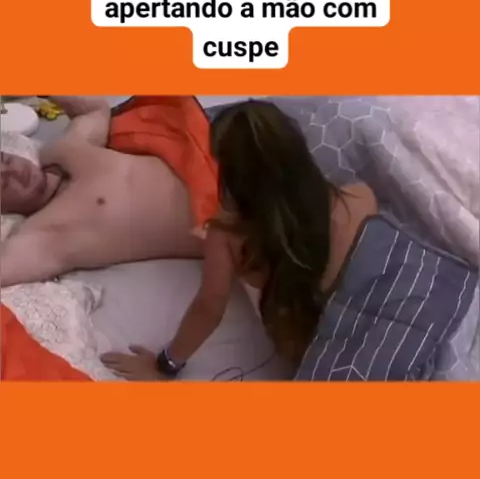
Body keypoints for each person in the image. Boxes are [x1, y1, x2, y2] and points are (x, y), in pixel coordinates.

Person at [102, 100, 378, 380]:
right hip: (382, 331)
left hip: (321, 358)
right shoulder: (359, 198)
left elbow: (209, 307)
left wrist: (165, 366)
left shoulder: (228, 235)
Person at [1, 96, 205, 288]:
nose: (15, 171)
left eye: (5, 159)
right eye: (2, 181)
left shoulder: (58, 151)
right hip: (217, 214)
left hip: (208, 157)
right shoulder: (45, 232)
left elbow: (94, 110)